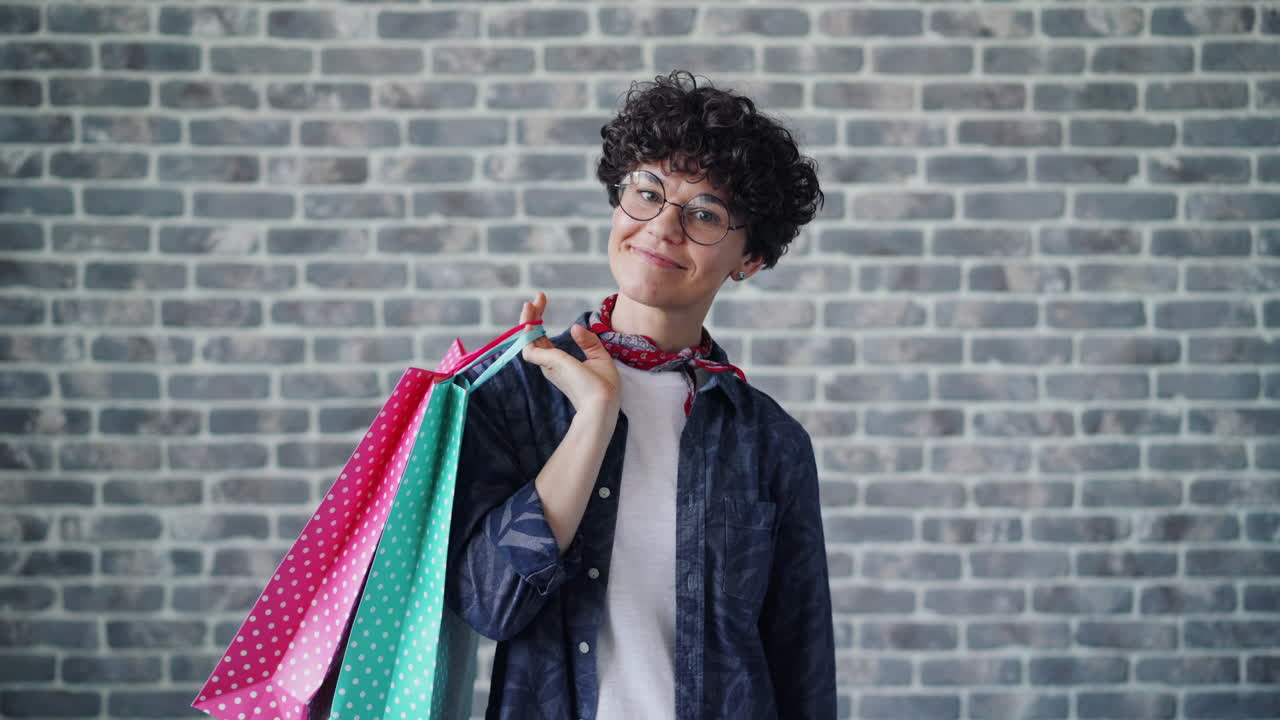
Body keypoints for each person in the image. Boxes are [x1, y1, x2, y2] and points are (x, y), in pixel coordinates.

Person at [445, 70, 834, 720]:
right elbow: (491, 605)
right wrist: (594, 417)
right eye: (647, 193)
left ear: (751, 259)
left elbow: (802, 666)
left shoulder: (771, 443)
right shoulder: (513, 396)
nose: (662, 228)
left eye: (704, 213)